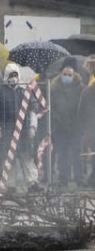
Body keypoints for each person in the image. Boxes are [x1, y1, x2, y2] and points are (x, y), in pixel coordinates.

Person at [0, 63, 38, 191]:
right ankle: (10, 185)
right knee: (9, 159)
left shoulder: (24, 91)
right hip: (7, 131)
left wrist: (32, 126)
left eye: (15, 75)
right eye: (11, 75)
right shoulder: (0, 92)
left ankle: (32, 183)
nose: (13, 78)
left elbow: (33, 108)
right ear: (6, 76)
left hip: (24, 131)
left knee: (27, 157)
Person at [50, 59, 85, 187]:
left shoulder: (80, 88)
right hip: (60, 127)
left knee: (77, 153)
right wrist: (57, 120)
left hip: (76, 127)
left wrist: (80, 122)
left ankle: (79, 179)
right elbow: (52, 107)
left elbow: (83, 107)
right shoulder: (54, 88)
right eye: (65, 74)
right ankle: (63, 179)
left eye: (70, 75)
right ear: (61, 74)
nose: (67, 77)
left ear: (74, 75)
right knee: (62, 153)